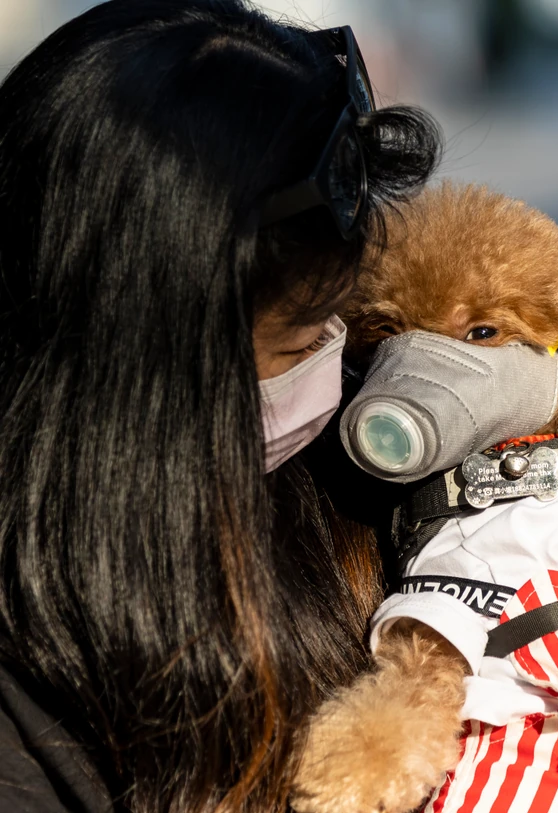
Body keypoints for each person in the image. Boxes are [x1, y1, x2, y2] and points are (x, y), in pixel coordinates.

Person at [0, 1, 441, 812]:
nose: (337, 366)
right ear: (144, 372)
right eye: (302, 337)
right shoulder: (29, 716)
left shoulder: (357, 485)